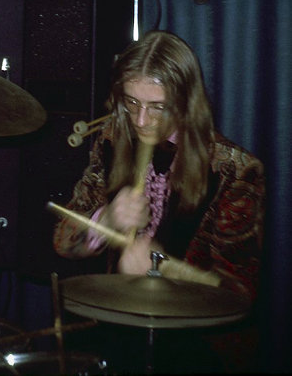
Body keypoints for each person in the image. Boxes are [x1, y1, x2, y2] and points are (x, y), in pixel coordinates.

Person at [53, 30, 265, 373]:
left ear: (185, 102)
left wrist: (162, 268)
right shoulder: (109, 141)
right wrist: (104, 222)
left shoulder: (235, 170)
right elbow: (63, 242)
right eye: (131, 103)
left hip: (194, 345)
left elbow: (239, 293)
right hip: (118, 325)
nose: (140, 120)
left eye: (157, 107)